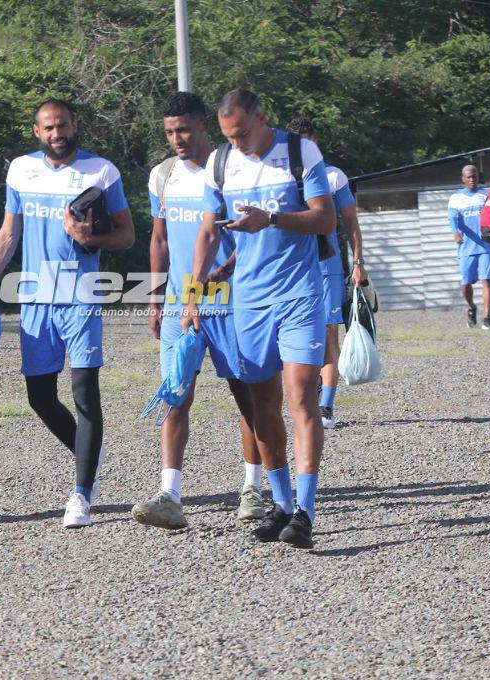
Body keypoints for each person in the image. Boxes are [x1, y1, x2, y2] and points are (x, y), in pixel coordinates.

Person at [0, 99, 135, 528]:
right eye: (48, 128)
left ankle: (80, 494)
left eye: (62, 125)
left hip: (81, 297)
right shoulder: (20, 170)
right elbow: (9, 233)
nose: (56, 133)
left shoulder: (102, 171)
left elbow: (127, 235)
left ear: (75, 125)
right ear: (36, 131)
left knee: (84, 394)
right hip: (36, 300)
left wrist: (89, 238)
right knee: (40, 397)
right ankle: (89, 459)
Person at [182, 89, 336, 549]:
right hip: (249, 300)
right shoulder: (221, 164)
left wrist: (270, 219)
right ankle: (282, 504)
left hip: (299, 295)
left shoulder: (299, 151)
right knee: (260, 405)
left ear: (261, 116)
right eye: (230, 136)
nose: (239, 143)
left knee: (301, 398)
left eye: (244, 133)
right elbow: (208, 230)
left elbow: (325, 220)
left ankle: (306, 513)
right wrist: (194, 294)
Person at [132, 92, 263, 530]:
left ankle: (253, 488)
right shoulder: (162, 175)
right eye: (169, 132)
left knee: (248, 395)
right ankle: (169, 494)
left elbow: (252, 239)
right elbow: (160, 240)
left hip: (231, 301)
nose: (177, 139)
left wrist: (223, 273)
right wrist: (154, 298)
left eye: (184, 129)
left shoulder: (231, 168)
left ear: (204, 125)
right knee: (175, 395)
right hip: (178, 304)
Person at [291, 117, 368, 430]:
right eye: (300, 143)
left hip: (327, 266)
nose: (307, 148)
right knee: (294, 336)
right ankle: (304, 397)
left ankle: (326, 405)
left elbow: (351, 222)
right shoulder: (278, 177)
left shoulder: (333, 176)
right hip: (291, 268)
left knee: (328, 333)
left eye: (310, 140)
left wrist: (358, 262)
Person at [448, 165, 490, 329]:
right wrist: (455, 232)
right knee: (466, 283)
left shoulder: (486, 195)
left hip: (485, 246)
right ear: (463, 178)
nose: (471, 179)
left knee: (486, 280)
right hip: (466, 246)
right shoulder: (456, 198)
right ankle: (471, 307)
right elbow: (452, 218)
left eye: (474, 176)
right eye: (468, 177)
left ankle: (487, 317)